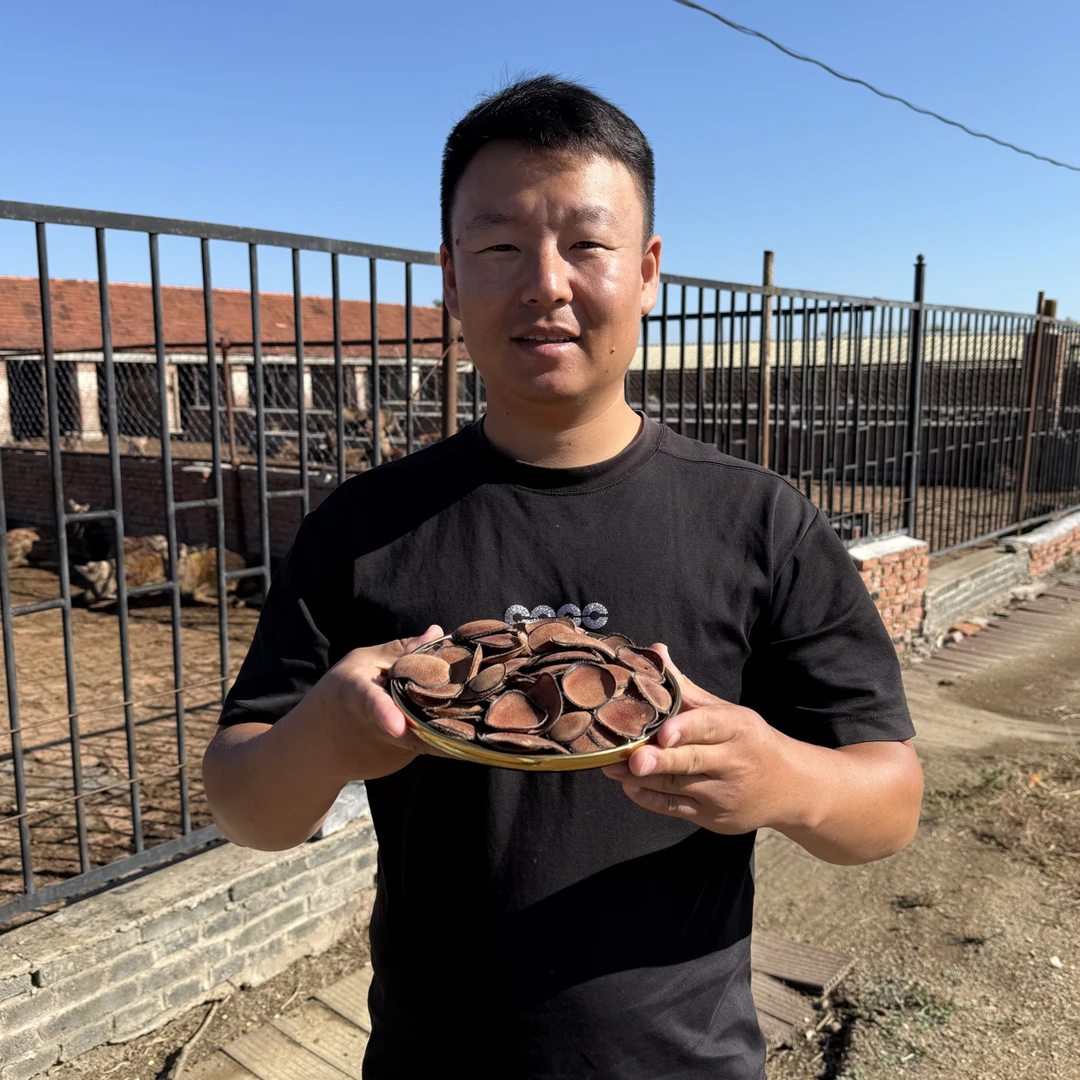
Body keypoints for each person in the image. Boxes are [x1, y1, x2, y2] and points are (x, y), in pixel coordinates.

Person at [203, 75, 923, 1079]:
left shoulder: (758, 520)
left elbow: (888, 804)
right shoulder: (362, 528)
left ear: (648, 271)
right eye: (499, 246)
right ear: (451, 277)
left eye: (587, 243)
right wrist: (323, 736)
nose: (545, 282)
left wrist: (780, 777)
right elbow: (245, 806)